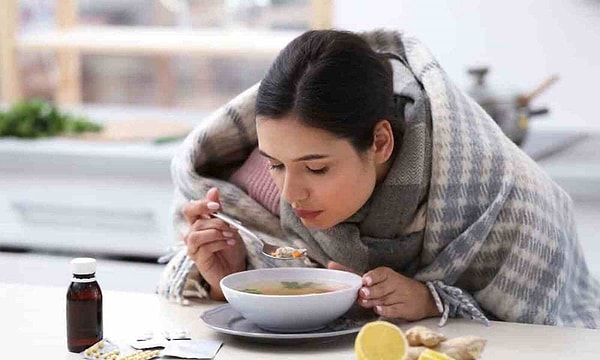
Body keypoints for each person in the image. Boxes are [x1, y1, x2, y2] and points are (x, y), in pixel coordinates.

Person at [157, 29, 600, 328]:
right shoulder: (248, 188)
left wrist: (432, 302)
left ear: (381, 142)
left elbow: (554, 333)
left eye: (317, 168)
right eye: (276, 162)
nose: (290, 194)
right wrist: (224, 278)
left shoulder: (503, 195)